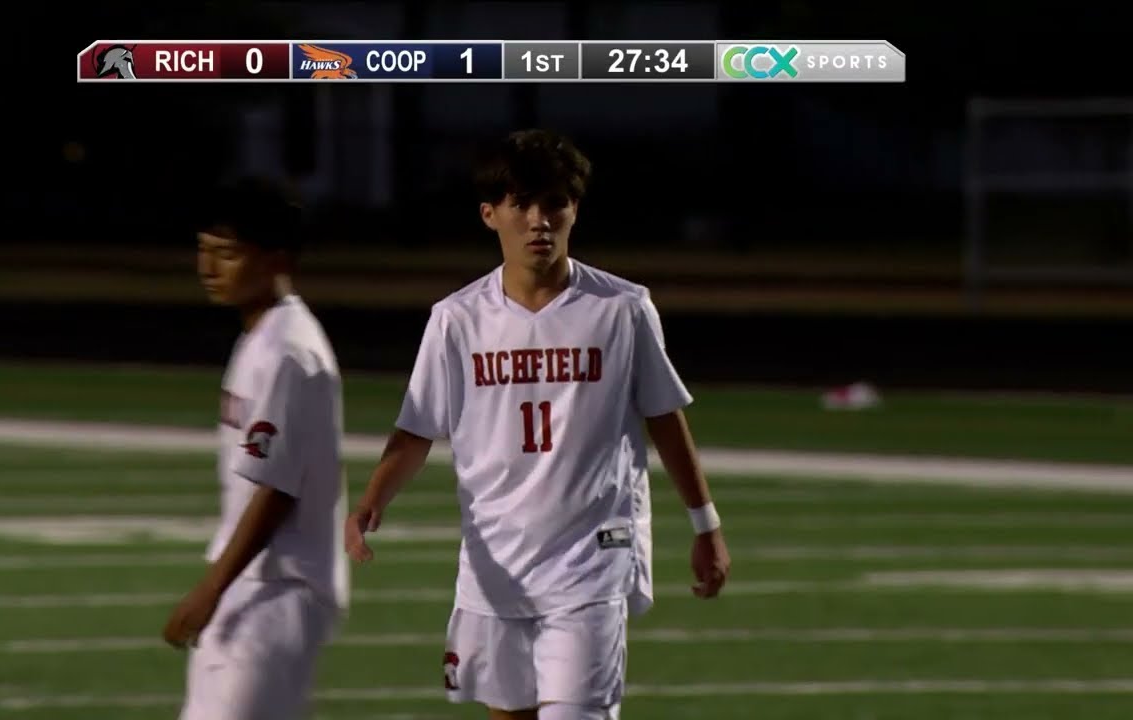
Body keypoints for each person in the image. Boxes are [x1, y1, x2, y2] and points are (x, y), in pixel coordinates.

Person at [344, 129, 732, 720]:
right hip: (494, 561)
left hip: (592, 559)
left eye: (554, 203)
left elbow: (664, 416)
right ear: (489, 214)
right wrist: (371, 501)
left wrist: (705, 524)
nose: (538, 220)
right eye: (521, 204)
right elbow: (418, 428)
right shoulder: (456, 320)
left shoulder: (623, 309)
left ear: (575, 210)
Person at [163, 175, 349, 720]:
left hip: (274, 588)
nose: (208, 267)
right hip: (254, 586)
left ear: (276, 260)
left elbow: (275, 489)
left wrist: (209, 589)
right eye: (203, 250)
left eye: (228, 254)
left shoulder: (286, 351)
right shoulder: (262, 337)